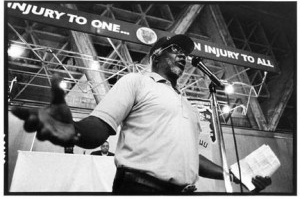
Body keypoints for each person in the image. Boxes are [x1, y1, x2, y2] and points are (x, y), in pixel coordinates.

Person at [11, 34, 271, 194]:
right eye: (175, 50)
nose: (182, 55)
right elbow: (100, 126)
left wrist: (233, 174)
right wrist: (75, 130)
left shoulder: (188, 105)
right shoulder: (136, 81)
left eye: (185, 53)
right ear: (156, 55)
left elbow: (192, 156)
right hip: (140, 188)